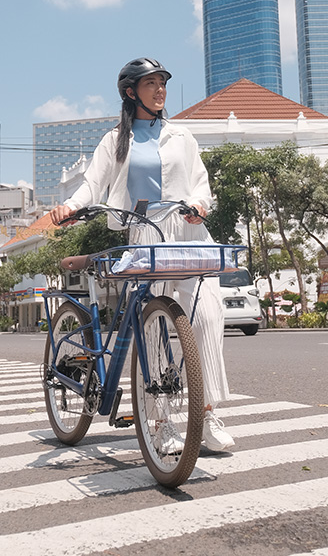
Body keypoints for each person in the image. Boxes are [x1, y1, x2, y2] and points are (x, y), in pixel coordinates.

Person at [51, 57, 234, 452]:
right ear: (132, 92)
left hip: (188, 230)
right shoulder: (116, 139)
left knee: (207, 313)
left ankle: (206, 411)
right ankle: (160, 421)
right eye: (151, 83)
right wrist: (69, 207)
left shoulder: (183, 136)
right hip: (144, 230)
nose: (160, 89)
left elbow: (201, 186)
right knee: (150, 323)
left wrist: (201, 205)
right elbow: (91, 186)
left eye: (163, 82)